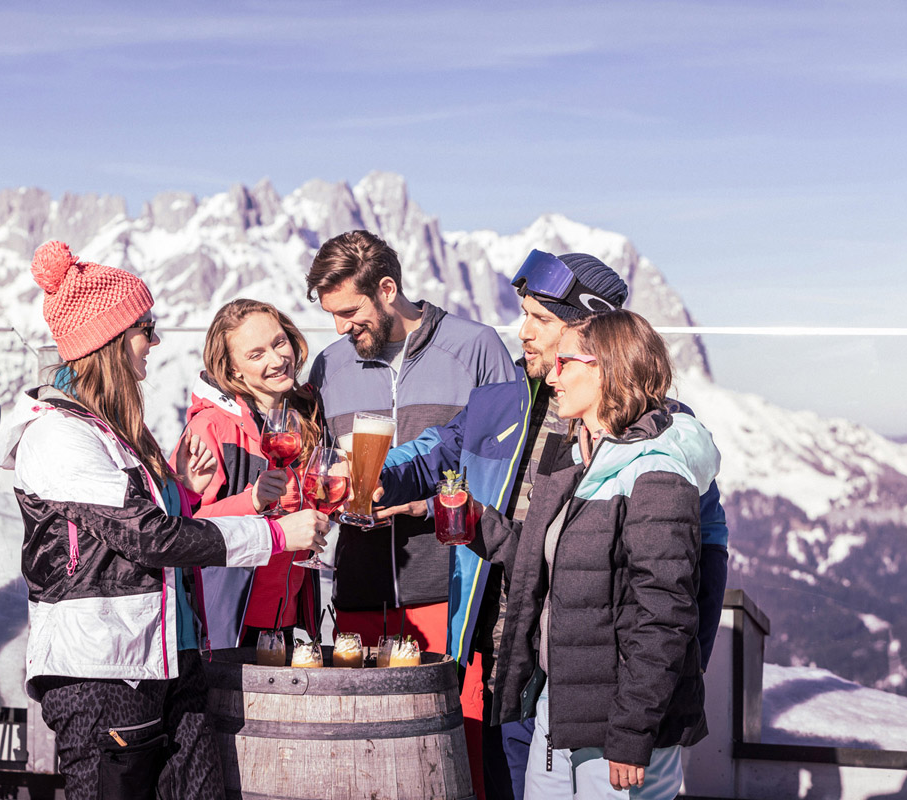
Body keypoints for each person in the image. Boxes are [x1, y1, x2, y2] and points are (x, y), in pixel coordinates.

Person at [377, 249, 729, 800]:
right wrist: (377, 478)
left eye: (541, 319)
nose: (524, 333)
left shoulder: (665, 441)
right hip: (516, 666)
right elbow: (433, 456)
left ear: (594, 334)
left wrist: (660, 699)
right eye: (524, 315)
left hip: (608, 686)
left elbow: (683, 586)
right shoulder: (510, 408)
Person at [0, 241, 330, 800]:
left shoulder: (113, 429)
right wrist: (275, 534)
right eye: (144, 328)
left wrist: (182, 490)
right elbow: (147, 538)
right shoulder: (58, 435)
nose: (154, 341)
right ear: (108, 341)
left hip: (169, 656)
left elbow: (139, 523)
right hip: (104, 672)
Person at [466, 308, 719, 799]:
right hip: (559, 704)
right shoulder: (575, 455)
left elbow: (664, 614)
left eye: (565, 364)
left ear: (606, 369)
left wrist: (632, 732)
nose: (552, 377)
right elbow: (548, 561)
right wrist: (472, 522)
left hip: (622, 724)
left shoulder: (657, 469)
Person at [305, 229, 516, 798]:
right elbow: (314, 464)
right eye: (331, 315)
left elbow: (507, 466)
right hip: (358, 590)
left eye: (349, 312)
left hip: (451, 590)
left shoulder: (475, 348)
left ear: (387, 289)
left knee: (457, 757)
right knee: (364, 760)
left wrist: (429, 503)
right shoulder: (329, 366)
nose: (340, 328)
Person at [174, 298, 324, 649]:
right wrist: (251, 501)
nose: (277, 359)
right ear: (233, 370)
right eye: (256, 354)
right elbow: (179, 528)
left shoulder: (305, 419)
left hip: (285, 620)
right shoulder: (210, 427)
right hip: (229, 624)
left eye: (279, 342)